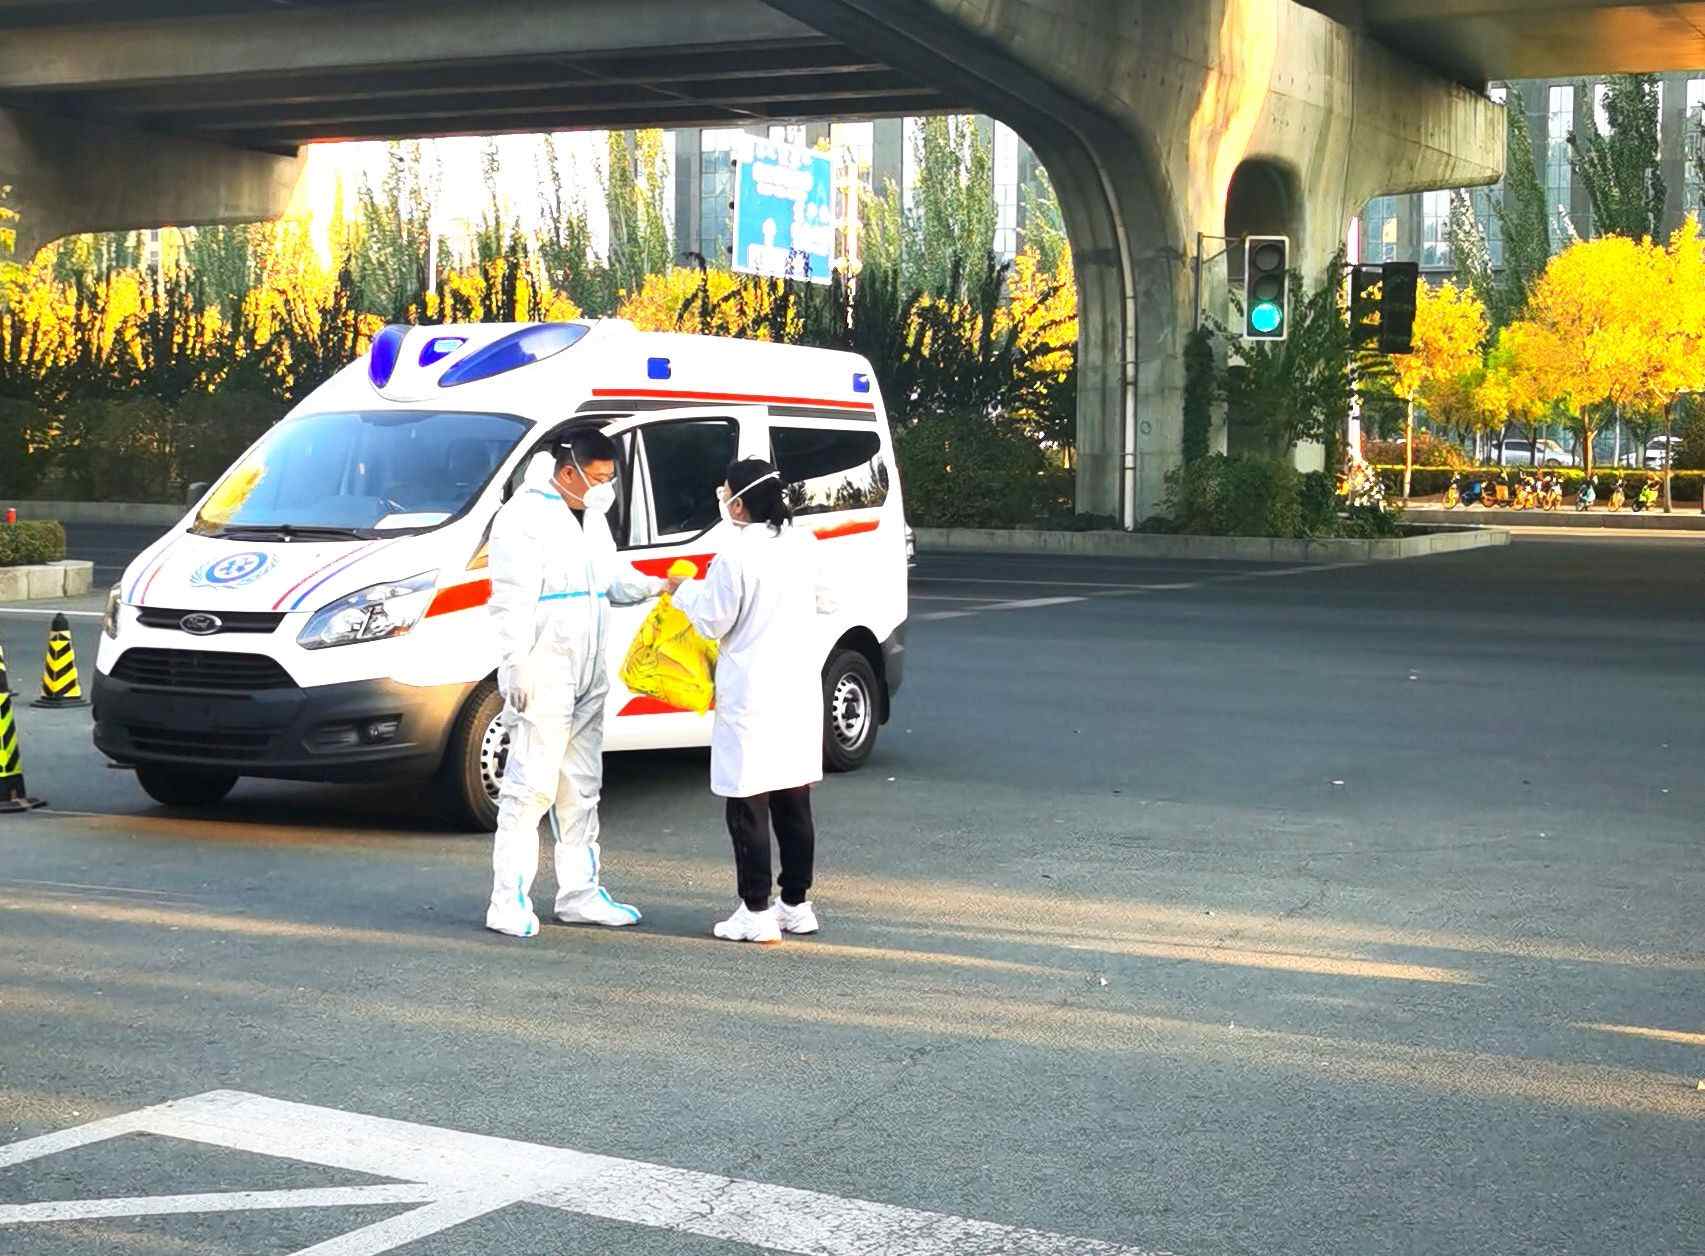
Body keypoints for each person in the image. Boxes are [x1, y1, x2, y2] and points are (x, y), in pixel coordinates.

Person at [484, 426, 662, 938]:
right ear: (569, 471)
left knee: (581, 786)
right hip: (544, 669)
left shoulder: (591, 518)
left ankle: (580, 893)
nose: (606, 488)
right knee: (530, 786)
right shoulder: (522, 517)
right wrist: (514, 664)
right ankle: (507, 900)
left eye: (609, 478)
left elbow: (609, 580)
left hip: (588, 668)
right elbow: (510, 599)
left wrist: (657, 585)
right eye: (599, 478)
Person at [667, 458, 835, 943]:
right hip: (796, 687)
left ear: (739, 503)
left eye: (725, 492)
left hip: (753, 689)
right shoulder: (803, 544)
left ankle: (755, 909)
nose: (722, 499)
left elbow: (712, 621)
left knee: (748, 800)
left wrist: (683, 593)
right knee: (794, 797)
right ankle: (796, 904)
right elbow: (828, 600)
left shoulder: (735, 555)